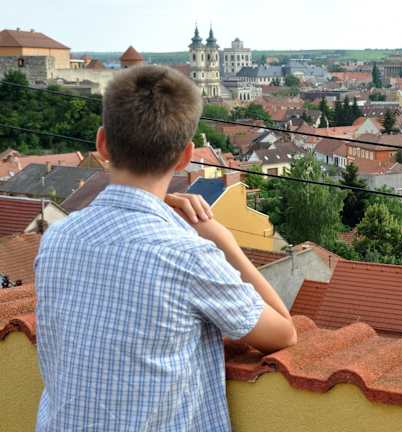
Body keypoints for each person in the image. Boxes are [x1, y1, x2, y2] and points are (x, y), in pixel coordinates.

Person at [34, 65, 296, 431]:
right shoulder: (187, 255)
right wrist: (223, 241)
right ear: (186, 156)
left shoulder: (57, 238)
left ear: (102, 143)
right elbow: (283, 332)